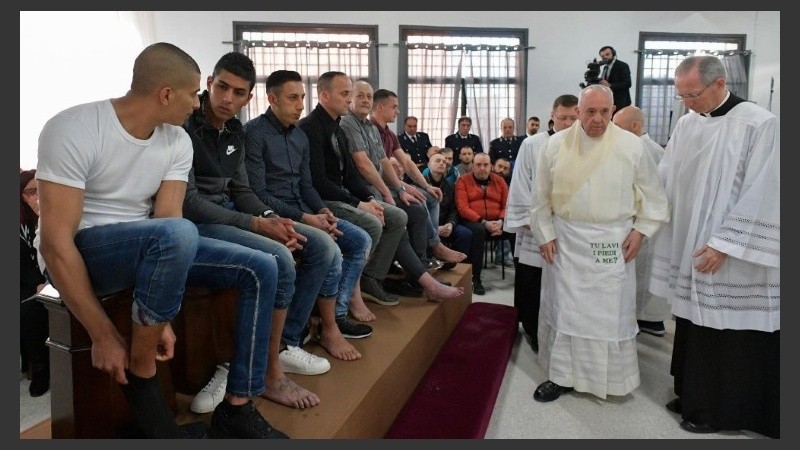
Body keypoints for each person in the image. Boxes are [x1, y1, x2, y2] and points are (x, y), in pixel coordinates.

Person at [35, 42, 286, 438]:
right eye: (192, 94)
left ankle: (238, 406)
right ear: (166, 94)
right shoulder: (73, 128)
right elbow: (54, 244)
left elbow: (169, 217)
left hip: (153, 244)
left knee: (262, 267)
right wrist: (103, 335)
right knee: (178, 233)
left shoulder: (176, 141)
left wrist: (160, 313)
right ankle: (142, 373)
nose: (195, 103)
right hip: (87, 248)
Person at [181, 54, 337, 414]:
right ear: (209, 83)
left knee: (319, 245)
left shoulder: (235, 130)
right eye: (222, 88)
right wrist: (256, 224)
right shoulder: (185, 125)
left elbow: (243, 191)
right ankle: (268, 370)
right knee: (279, 257)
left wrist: (272, 218)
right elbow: (188, 202)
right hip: (197, 222)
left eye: (238, 93)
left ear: (249, 97)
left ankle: (282, 346)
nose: (227, 99)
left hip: (234, 214)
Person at [649, 55, 779, 438]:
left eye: (693, 94)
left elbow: (767, 191)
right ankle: (692, 395)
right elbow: (667, 178)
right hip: (692, 244)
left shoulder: (760, 124)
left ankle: (720, 409)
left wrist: (726, 244)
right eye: (682, 95)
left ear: (720, 84)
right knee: (693, 323)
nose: (687, 102)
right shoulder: (688, 124)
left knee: (725, 329)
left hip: (735, 253)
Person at [529, 84, 668, 403]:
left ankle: (610, 378)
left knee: (607, 312)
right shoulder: (555, 145)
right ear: (577, 111)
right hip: (567, 242)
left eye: (604, 111)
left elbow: (656, 199)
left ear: (613, 109)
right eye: (590, 111)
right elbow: (540, 197)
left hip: (613, 241)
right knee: (566, 310)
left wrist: (641, 231)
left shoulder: (632, 146)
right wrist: (545, 233)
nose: (597, 119)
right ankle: (561, 376)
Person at [244, 69, 374, 355]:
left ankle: (333, 316)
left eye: (302, 97)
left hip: (304, 210)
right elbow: (258, 193)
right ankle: (298, 335)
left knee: (359, 239)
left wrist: (323, 210)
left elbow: (306, 186)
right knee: (330, 250)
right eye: (292, 98)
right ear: (272, 99)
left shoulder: (299, 137)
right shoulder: (254, 133)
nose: (300, 105)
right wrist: (307, 218)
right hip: (275, 214)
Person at [340, 81, 464, 301]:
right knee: (403, 216)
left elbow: (385, 162)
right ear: (350, 98)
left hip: (379, 189)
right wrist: (393, 192)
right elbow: (363, 164)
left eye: (369, 96)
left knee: (419, 206)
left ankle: (420, 267)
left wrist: (402, 187)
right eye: (361, 96)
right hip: (361, 192)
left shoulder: (370, 128)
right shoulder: (348, 123)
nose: (365, 101)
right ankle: (405, 275)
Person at [296, 71, 404, 312]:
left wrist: (367, 197)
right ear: (324, 96)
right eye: (345, 93)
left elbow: (351, 175)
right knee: (373, 224)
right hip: (323, 200)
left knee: (397, 216)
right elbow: (319, 182)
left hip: (342, 195)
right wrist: (358, 204)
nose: (349, 99)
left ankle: (368, 278)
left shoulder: (337, 127)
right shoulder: (310, 128)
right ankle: (348, 297)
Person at [505, 94, 578, 354]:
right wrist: (533, 221)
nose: (568, 123)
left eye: (573, 117)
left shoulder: (583, 144)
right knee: (533, 279)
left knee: (563, 283)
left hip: (569, 228)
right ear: (552, 115)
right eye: (563, 117)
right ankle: (533, 329)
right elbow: (522, 182)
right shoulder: (533, 143)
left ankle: (559, 330)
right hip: (537, 224)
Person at [370, 88, 466, 275]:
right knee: (419, 206)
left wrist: (426, 185)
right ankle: (426, 255)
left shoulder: (388, 133)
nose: (397, 111)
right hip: (378, 189)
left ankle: (433, 245)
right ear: (381, 107)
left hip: (394, 184)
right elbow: (380, 169)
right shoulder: (372, 130)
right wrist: (402, 188)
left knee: (431, 196)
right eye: (394, 107)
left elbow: (406, 162)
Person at [611, 105, 670, 337]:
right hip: (636, 221)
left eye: (617, 125)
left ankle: (648, 320)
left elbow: (654, 191)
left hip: (644, 224)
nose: (612, 130)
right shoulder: (631, 146)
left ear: (635, 126)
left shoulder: (649, 150)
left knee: (644, 274)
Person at [454, 152, 508, 296]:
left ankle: (521, 273)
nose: (482, 168)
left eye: (485, 165)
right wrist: (484, 222)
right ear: (472, 166)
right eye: (478, 165)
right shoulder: (463, 181)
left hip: (498, 222)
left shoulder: (500, 181)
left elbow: (507, 205)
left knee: (517, 229)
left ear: (491, 166)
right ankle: (476, 279)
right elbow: (462, 207)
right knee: (478, 231)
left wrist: (501, 221)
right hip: (473, 222)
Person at [20, 169, 49, 397]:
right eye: (30, 192)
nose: (36, 195)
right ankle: (40, 369)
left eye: (40, 189)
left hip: (47, 278)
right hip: (24, 284)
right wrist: (36, 283)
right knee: (30, 308)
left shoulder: (45, 217)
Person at [423, 153, 472, 269]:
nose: (442, 163)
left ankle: (459, 268)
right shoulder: (420, 183)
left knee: (465, 233)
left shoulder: (450, 186)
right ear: (429, 164)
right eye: (438, 161)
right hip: (426, 226)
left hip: (445, 224)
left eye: (444, 162)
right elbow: (420, 211)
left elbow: (453, 209)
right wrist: (435, 228)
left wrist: (450, 224)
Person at [490, 157, 515, 266]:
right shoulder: (486, 179)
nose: (501, 170)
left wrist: (501, 219)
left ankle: (504, 257)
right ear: (493, 166)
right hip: (486, 215)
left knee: (511, 224)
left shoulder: (512, 184)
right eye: (499, 166)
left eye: (505, 168)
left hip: (503, 215)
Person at [598, 45, 632, 115]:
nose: (605, 57)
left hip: (621, 102)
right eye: (603, 56)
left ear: (613, 54)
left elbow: (627, 83)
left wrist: (610, 85)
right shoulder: (605, 67)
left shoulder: (622, 65)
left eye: (607, 54)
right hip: (609, 101)